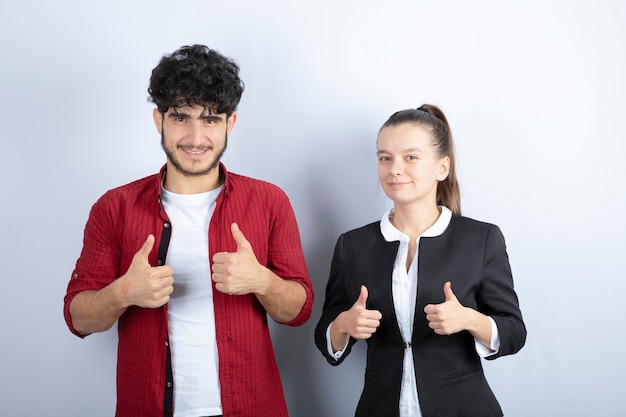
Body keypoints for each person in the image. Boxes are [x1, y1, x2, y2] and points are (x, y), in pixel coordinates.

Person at [64, 44, 314, 417]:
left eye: (211, 119)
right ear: (158, 120)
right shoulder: (114, 207)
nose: (196, 138)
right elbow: (77, 316)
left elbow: (298, 310)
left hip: (250, 407)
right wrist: (122, 293)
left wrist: (262, 281)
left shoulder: (269, 201)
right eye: (181, 117)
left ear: (230, 123)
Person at [314, 104, 526, 417]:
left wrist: (469, 319)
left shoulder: (481, 240)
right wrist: (344, 324)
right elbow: (325, 338)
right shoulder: (352, 245)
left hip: (464, 408)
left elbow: (514, 332)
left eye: (410, 157)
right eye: (385, 157)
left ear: (442, 167)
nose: (394, 169)